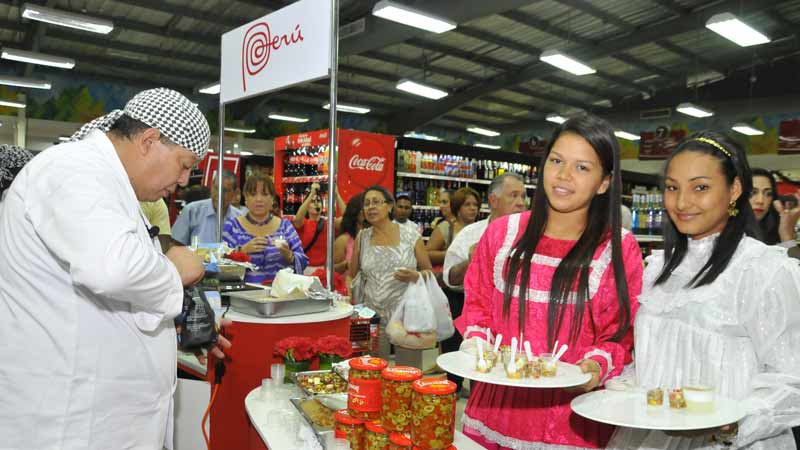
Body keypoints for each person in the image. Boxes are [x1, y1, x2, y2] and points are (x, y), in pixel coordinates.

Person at [0, 88, 230, 450]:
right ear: (149, 141)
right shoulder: (73, 169)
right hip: (70, 423)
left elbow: (115, 288)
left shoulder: (109, 183)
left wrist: (180, 319)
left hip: (103, 418)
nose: (185, 181)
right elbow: (114, 269)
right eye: (184, 165)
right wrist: (178, 270)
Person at [457, 114, 643, 450]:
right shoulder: (502, 234)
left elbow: (620, 332)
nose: (563, 176)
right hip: (495, 410)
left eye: (582, 167)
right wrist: (477, 342)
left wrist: (594, 366)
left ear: (604, 182)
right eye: (556, 161)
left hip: (571, 421)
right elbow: (478, 303)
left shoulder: (617, 248)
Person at [607, 131, 800, 450]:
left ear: (735, 189)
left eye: (701, 187)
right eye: (672, 188)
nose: (682, 203)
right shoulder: (658, 268)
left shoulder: (764, 271)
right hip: (655, 437)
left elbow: (792, 378)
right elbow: (656, 360)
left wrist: (732, 422)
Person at [441, 172, 526, 394]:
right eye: (514, 195)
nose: (521, 203)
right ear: (494, 200)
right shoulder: (471, 234)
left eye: (523, 196)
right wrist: (471, 262)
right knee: (482, 391)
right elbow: (449, 278)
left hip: (521, 335)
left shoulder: (533, 237)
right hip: (481, 333)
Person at [349, 185, 433, 365]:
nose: (371, 207)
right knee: (373, 371)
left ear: (389, 207)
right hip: (372, 317)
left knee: (407, 372)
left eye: (376, 202)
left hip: (406, 316)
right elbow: (352, 275)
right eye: (367, 203)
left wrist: (415, 276)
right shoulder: (362, 238)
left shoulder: (411, 236)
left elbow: (429, 272)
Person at [223, 173, 307, 283]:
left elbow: (304, 261)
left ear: (272, 199)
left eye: (264, 194)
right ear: (246, 199)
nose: (259, 199)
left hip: (280, 295)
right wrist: (242, 250)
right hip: (242, 295)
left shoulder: (285, 227)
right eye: (253, 195)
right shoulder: (232, 227)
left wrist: (289, 256)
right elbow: (219, 261)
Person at [172, 170, 242, 245]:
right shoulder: (192, 211)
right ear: (211, 186)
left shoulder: (239, 218)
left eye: (225, 190)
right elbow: (176, 244)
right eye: (216, 188)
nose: (219, 194)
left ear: (234, 193)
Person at [293, 182, 346, 273]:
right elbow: (298, 219)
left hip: (324, 270)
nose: (316, 204)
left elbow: (347, 218)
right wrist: (312, 194)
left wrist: (337, 195)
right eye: (312, 202)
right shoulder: (303, 224)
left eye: (318, 201)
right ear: (307, 206)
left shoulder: (329, 224)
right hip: (305, 270)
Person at [751, 168, 800, 259]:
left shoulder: (776, 231)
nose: (760, 201)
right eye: (753, 192)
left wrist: (786, 235)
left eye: (768, 194)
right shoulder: (722, 232)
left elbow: (795, 271)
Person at [426, 186, 480, 265]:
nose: (473, 208)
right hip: (451, 275)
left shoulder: (483, 228)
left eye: (475, 205)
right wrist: (452, 255)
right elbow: (427, 254)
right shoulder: (445, 228)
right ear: (457, 208)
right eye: (467, 205)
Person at [334, 192, 365, 275]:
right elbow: (330, 270)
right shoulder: (343, 241)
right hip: (347, 286)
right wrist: (345, 265)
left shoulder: (376, 237)